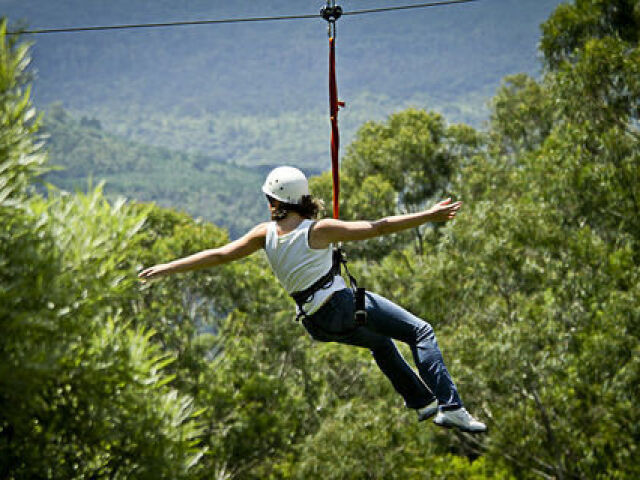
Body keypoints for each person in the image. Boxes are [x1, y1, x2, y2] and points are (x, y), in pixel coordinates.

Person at [139, 166, 486, 433]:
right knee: (420, 332)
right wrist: (429, 215)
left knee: (381, 344)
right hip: (340, 307)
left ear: (275, 202)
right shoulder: (318, 231)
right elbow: (378, 227)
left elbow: (219, 254)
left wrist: (167, 267)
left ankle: (423, 401)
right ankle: (451, 406)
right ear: (301, 199)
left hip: (316, 323)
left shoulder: (265, 234)